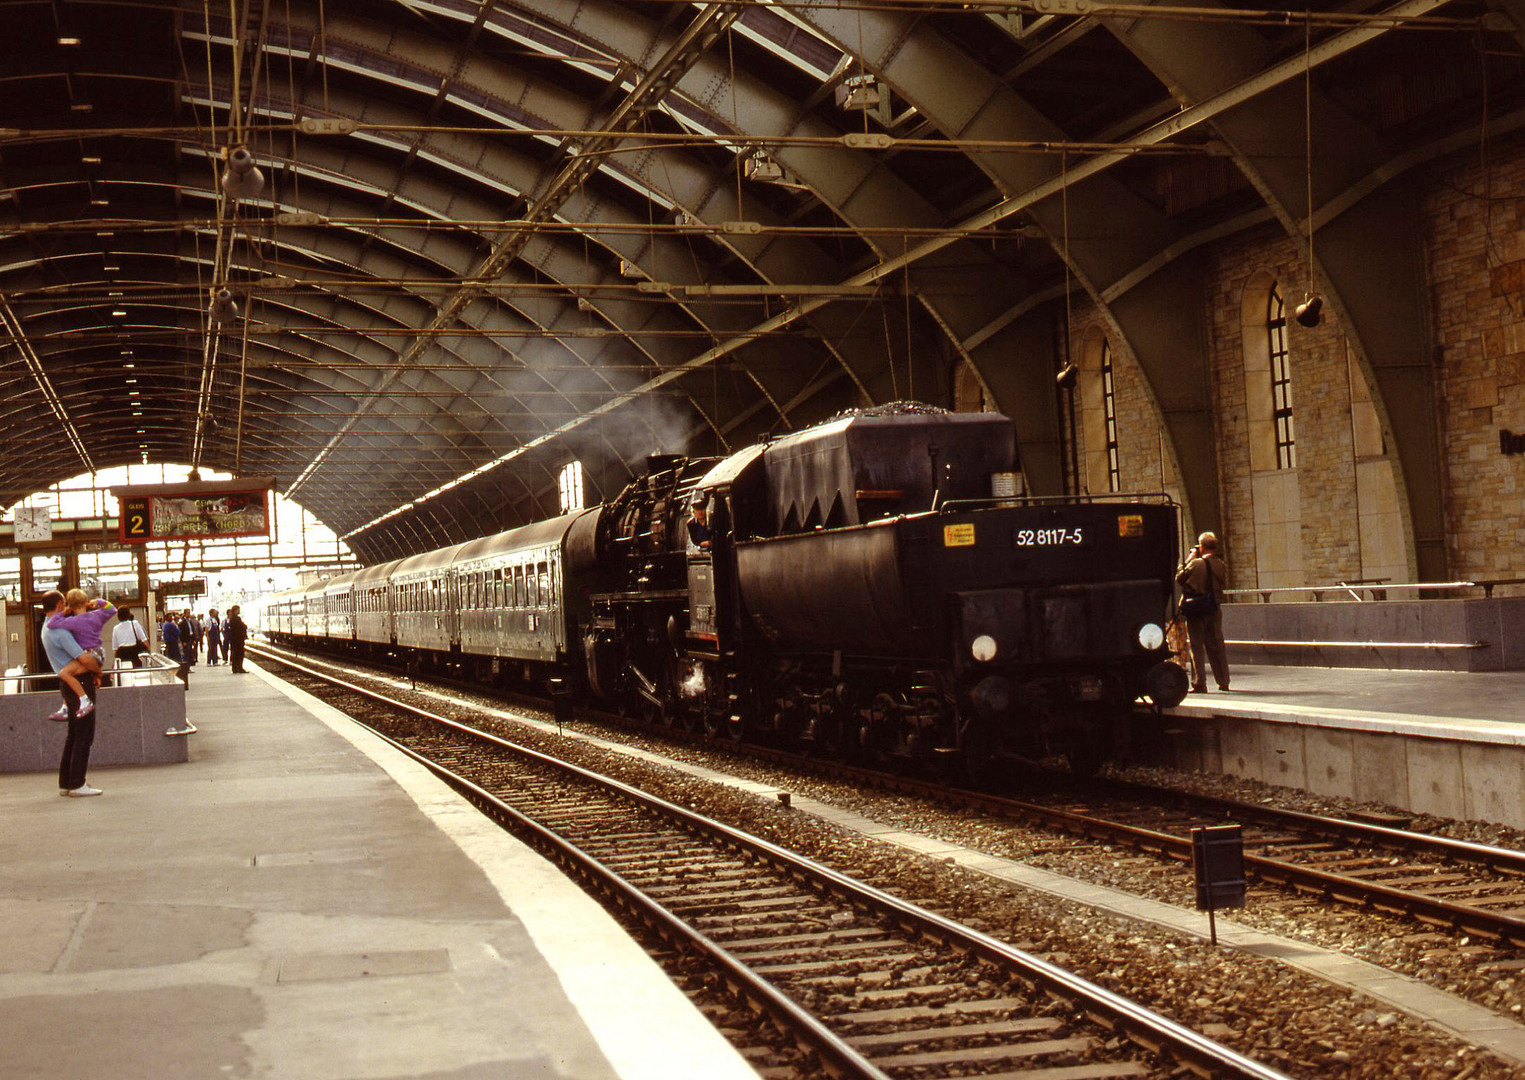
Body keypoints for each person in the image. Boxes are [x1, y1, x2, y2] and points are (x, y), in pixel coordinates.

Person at [40, 590, 101, 796]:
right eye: (64, 603)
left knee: (73, 734)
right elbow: (84, 658)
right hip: (80, 682)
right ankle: (77, 783)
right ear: (59, 604)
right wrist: (98, 669)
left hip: (66, 683)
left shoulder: (46, 629)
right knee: (84, 734)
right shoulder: (61, 632)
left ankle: (66, 782)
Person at [45, 589, 115, 719]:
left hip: (88, 655)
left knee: (65, 673)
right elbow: (112, 609)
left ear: (70, 606)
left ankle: (84, 701)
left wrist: (63, 612)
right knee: (72, 673)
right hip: (98, 653)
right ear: (86, 602)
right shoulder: (97, 615)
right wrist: (98, 602)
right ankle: (66, 705)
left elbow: (51, 623)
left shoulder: (72, 622)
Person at [1176, 531, 1229, 693]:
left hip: (1196, 609)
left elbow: (1180, 576)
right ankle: (1223, 681)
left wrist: (1190, 557)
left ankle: (1200, 683)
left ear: (1203, 547)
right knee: (1216, 644)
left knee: (1197, 646)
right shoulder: (1221, 564)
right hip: (1214, 608)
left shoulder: (1196, 563)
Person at [225, 604, 247, 672]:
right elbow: (242, 626)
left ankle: (235, 668)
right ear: (235, 610)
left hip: (234, 639)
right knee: (239, 654)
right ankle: (239, 668)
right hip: (238, 639)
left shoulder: (232, 618)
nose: (239, 611)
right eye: (238, 609)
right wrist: (244, 626)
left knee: (235, 653)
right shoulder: (236, 618)